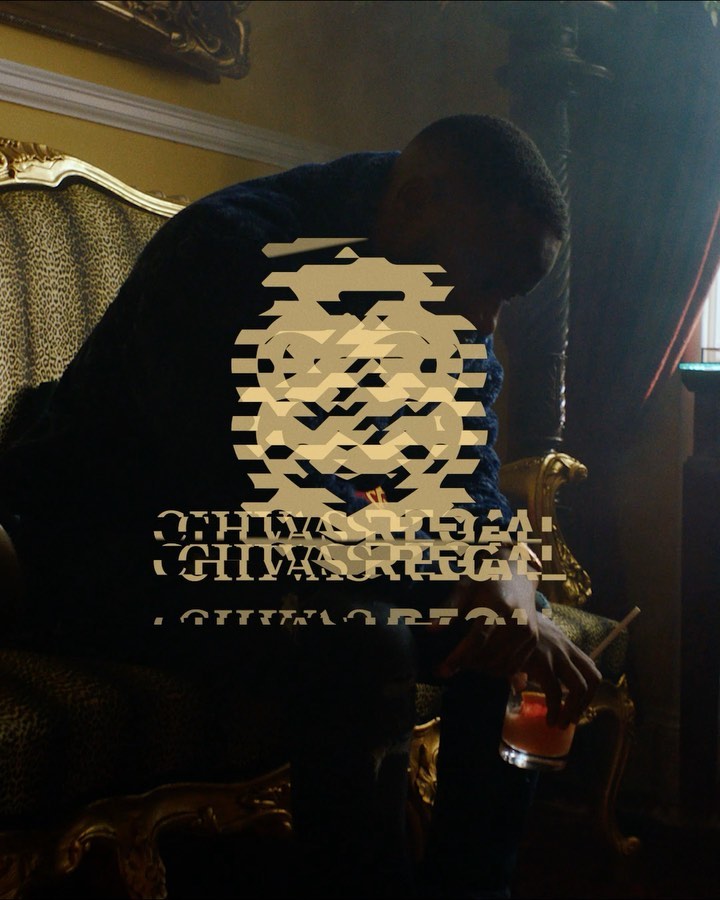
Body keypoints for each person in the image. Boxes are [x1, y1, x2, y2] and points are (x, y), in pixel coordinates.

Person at [0, 115, 601, 898]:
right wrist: (459, 576)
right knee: (363, 636)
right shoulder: (230, 252)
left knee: (508, 633)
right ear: (414, 200)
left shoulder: (444, 290)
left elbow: (469, 479)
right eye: (486, 280)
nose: (487, 321)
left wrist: (506, 578)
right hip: (111, 546)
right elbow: (273, 497)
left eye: (509, 294)